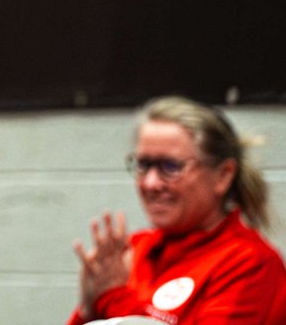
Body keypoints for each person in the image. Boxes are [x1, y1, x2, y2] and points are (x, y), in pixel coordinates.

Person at [69, 96, 286, 325]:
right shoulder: (135, 249)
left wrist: (112, 297)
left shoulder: (250, 264)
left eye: (171, 166)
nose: (151, 183)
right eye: (143, 165)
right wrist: (88, 309)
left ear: (223, 175)